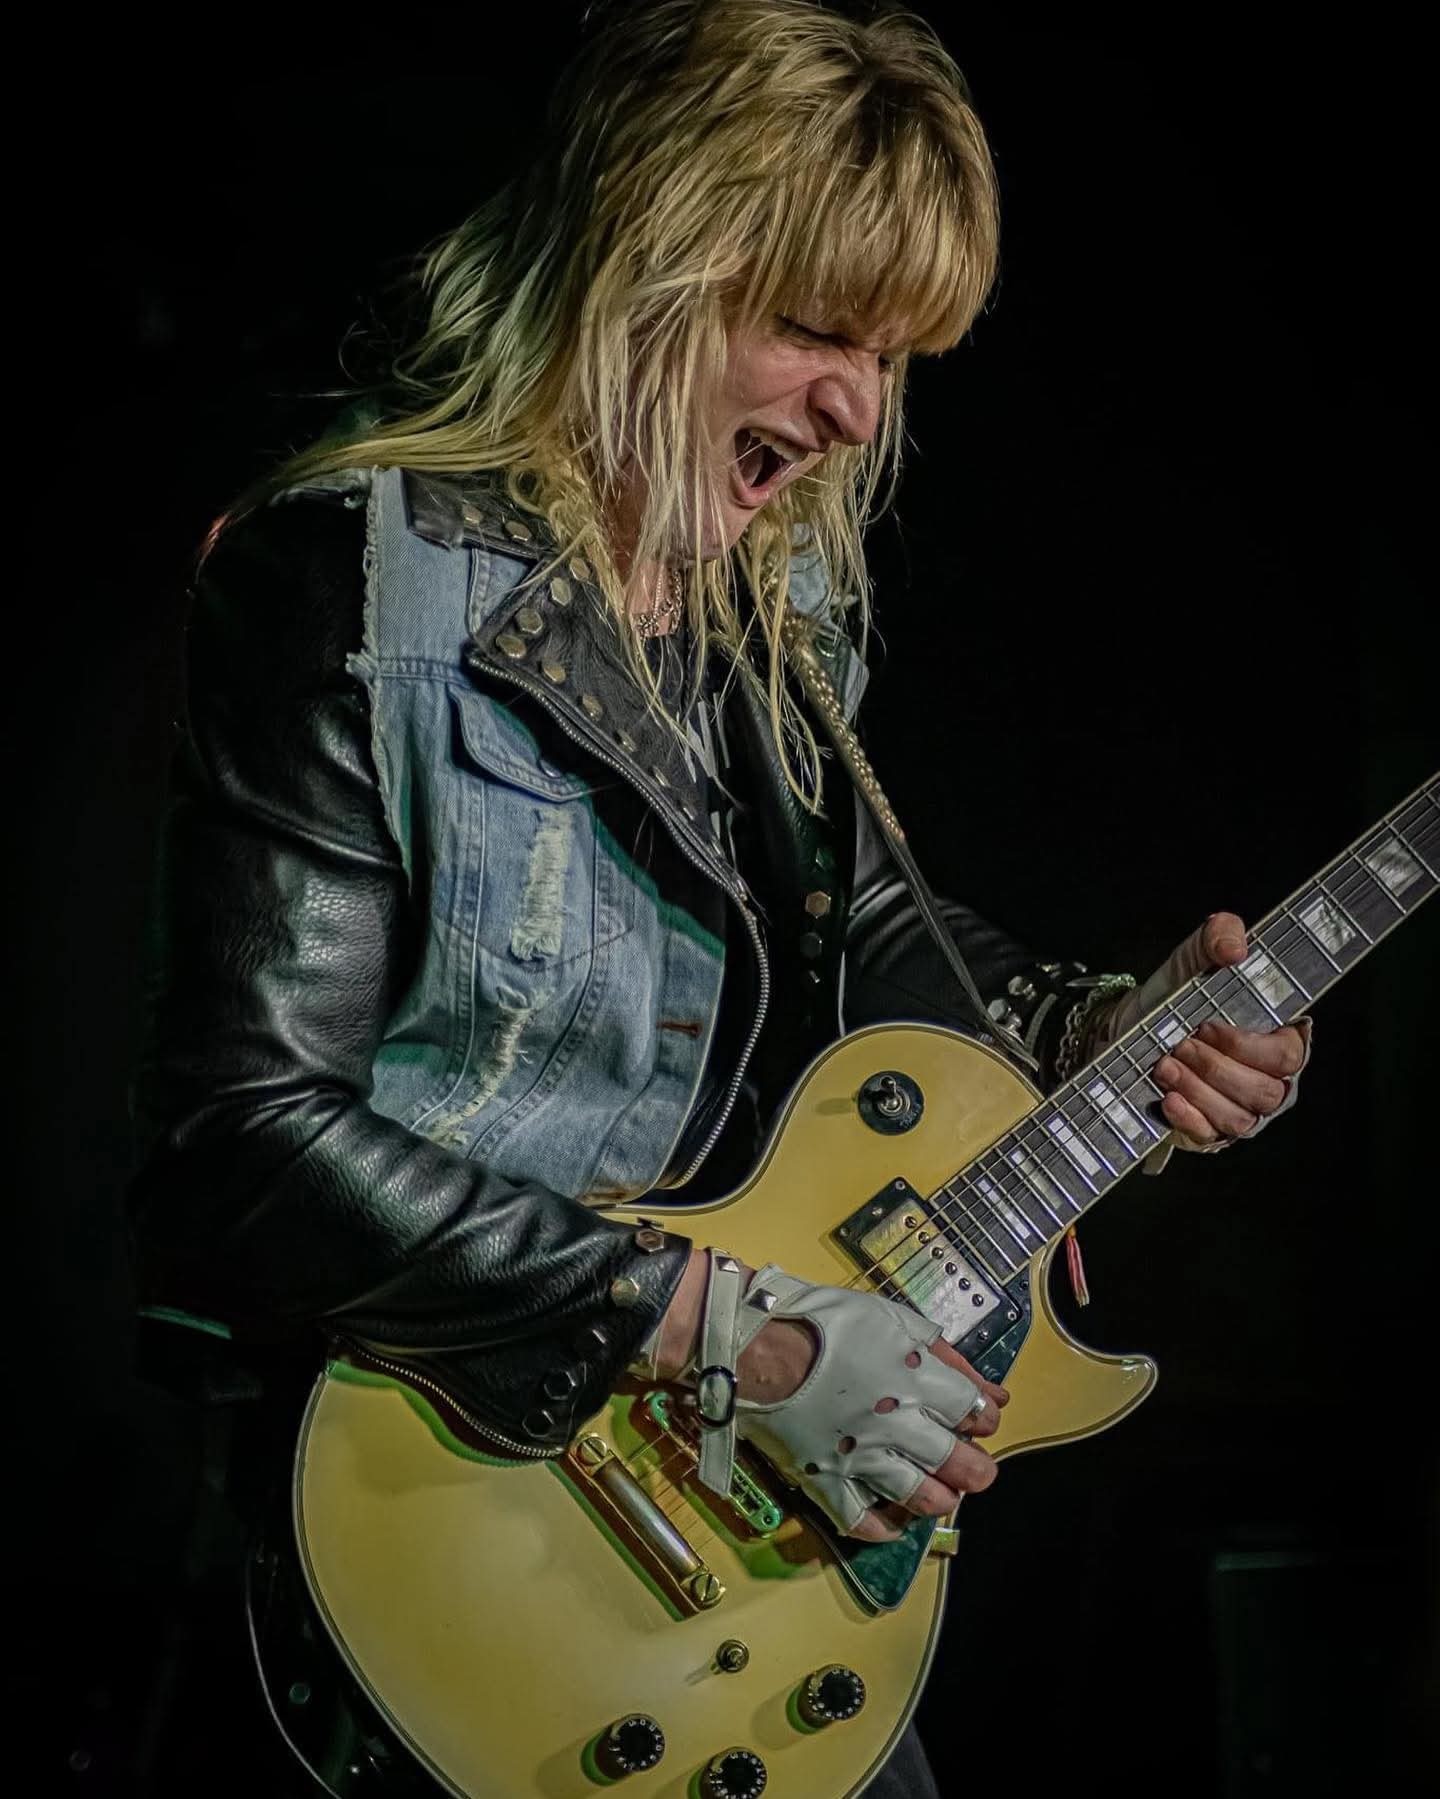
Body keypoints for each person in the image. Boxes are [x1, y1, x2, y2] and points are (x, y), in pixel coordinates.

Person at [126, 3, 1311, 1794]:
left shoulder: (762, 632)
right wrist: (716, 1326)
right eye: (816, 331)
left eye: (892, 359)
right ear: (637, 269)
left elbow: (892, 963)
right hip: (463, 1524)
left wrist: (1107, 1035)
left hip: (729, 1538)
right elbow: (236, 1146)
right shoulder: (351, 579)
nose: (856, 410)